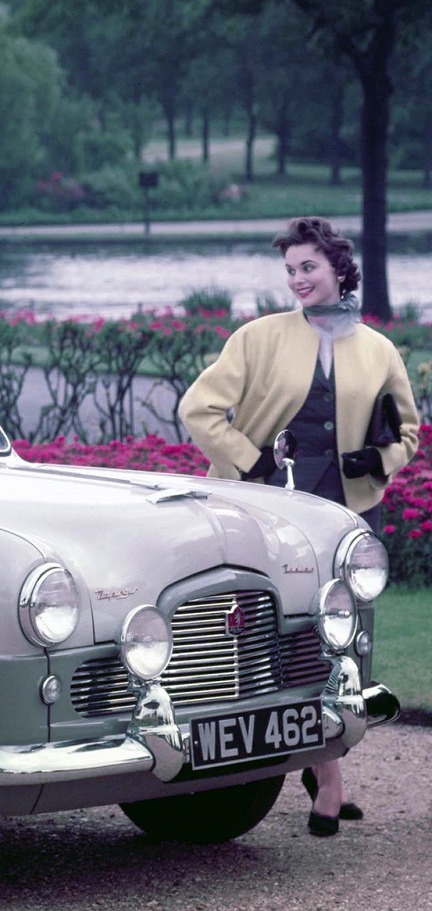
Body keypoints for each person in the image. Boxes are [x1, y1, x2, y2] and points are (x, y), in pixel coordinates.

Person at [179, 215, 419, 838]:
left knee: (343, 640)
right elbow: (198, 408)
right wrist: (248, 458)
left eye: (308, 267)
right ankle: (324, 778)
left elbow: (410, 431)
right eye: (289, 270)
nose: (297, 280)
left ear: (338, 268)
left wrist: (380, 458)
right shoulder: (258, 337)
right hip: (269, 509)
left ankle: (326, 770)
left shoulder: (378, 349)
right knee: (278, 639)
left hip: (346, 514)